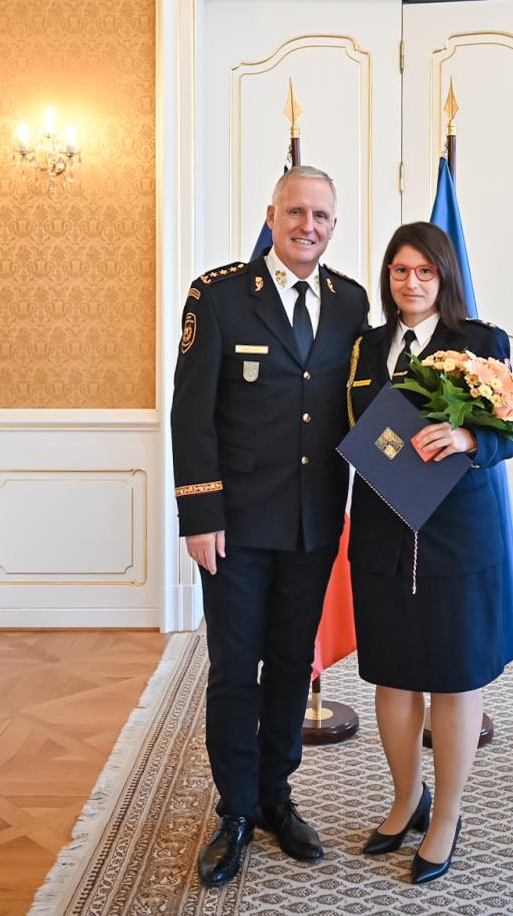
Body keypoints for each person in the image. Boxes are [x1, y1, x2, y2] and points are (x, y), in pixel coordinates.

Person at [170, 165, 371, 888]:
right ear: (271, 215)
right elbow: (191, 412)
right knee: (235, 667)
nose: (307, 226)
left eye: (320, 215)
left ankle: (276, 796)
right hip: (236, 526)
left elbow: (358, 401)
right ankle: (234, 811)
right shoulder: (219, 295)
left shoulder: (351, 301)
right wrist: (200, 514)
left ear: (333, 225)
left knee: (292, 664)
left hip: (313, 522)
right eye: (295, 212)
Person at [345, 221, 513, 885]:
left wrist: (470, 440)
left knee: (454, 677)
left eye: (425, 270)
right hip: (381, 531)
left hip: (459, 535)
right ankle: (406, 799)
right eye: (400, 270)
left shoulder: (481, 342)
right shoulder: (364, 347)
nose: (412, 282)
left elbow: (510, 434)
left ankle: (446, 815)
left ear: (445, 275)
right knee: (392, 675)